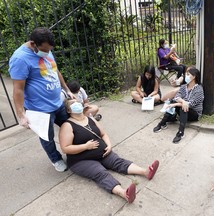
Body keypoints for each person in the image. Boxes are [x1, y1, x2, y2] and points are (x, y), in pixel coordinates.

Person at [59, 99, 159, 203]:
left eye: (77, 101)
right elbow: (65, 148)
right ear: (68, 110)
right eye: (72, 103)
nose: (76, 104)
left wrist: (109, 145)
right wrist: (85, 146)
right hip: (81, 160)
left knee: (118, 162)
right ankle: (124, 193)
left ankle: (146, 172)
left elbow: (103, 134)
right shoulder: (67, 125)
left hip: (102, 153)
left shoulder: (90, 118)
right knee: (100, 172)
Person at [9, 27, 75, 172]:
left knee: (72, 127)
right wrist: (21, 115)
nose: (47, 53)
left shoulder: (46, 49)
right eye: (45, 50)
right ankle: (55, 159)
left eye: (49, 50)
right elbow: (18, 90)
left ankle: (73, 152)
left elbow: (55, 70)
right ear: (33, 44)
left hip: (57, 103)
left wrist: (67, 89)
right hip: (40, 109)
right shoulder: (20, 59)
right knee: (47, 137)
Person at [153, 67, 204, 144]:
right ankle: (162, 123)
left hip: (194, 114)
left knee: (183, 107)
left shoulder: (199, 89)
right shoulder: (184, 87)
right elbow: (177, 96)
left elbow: (191, 104)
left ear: (194, 77)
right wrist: (182, 101)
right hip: (183, 109)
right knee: (175, 101)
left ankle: (181, 132)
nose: (185, 76)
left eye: (188, 74)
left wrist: (177, 104)